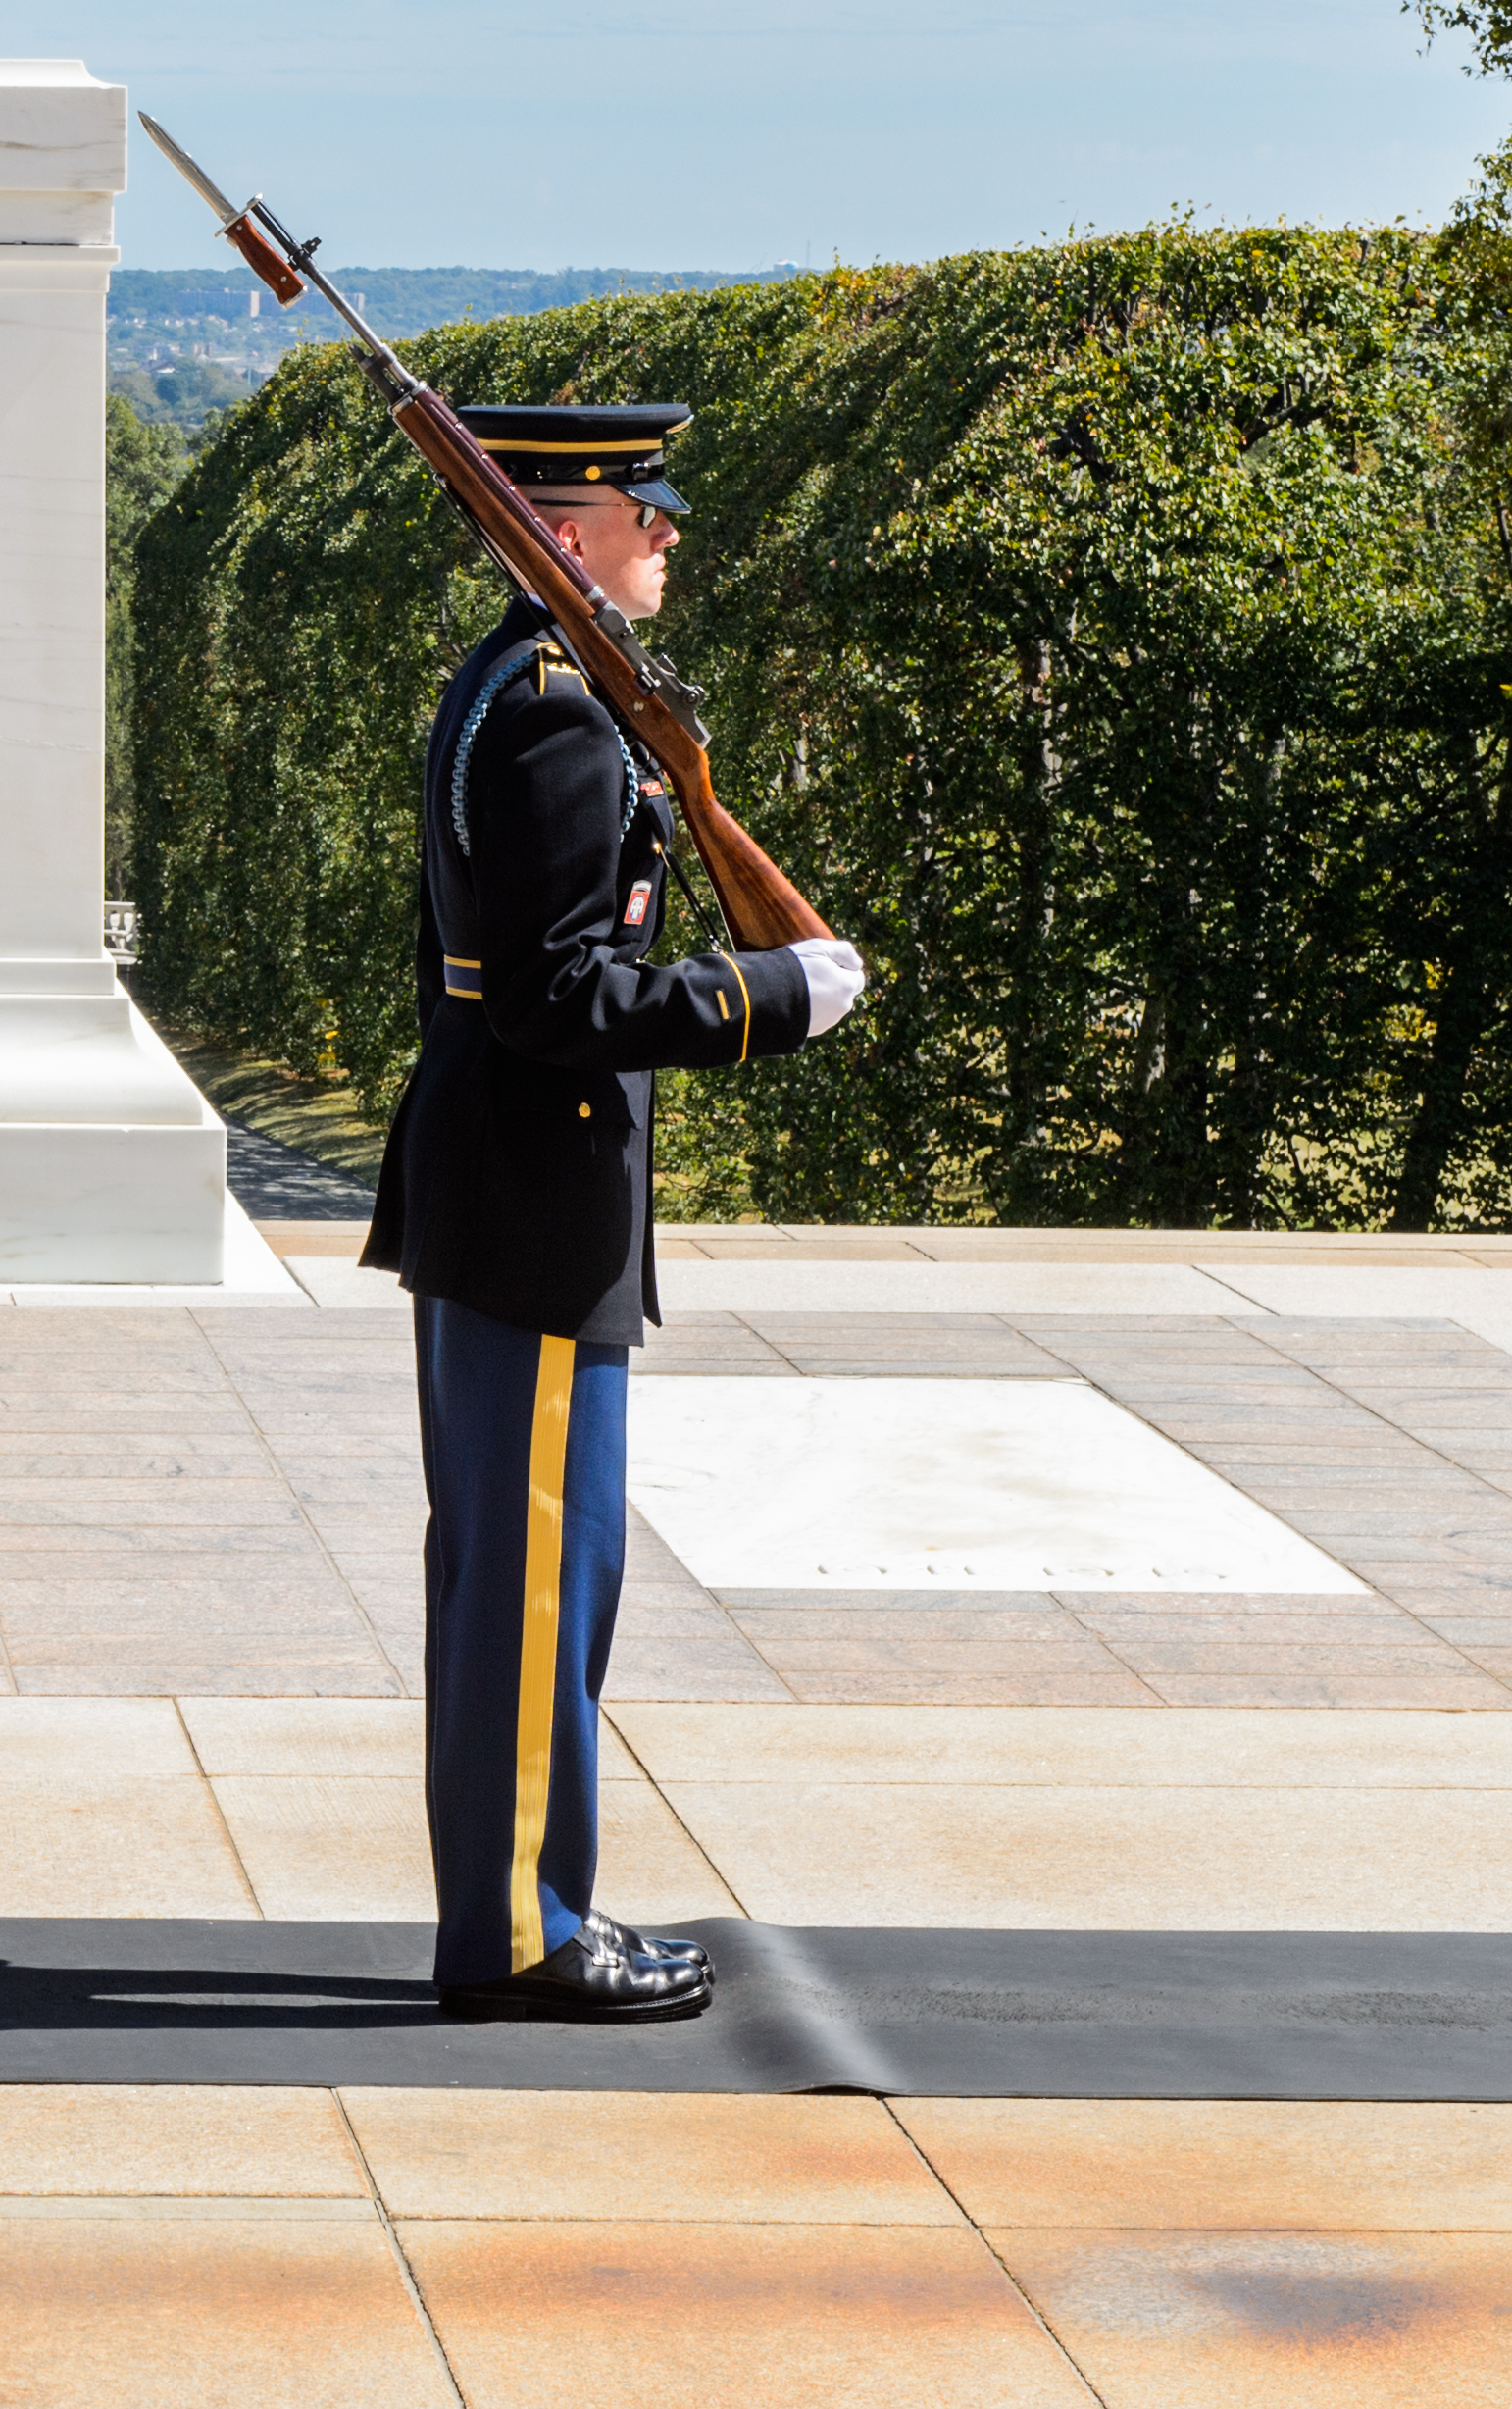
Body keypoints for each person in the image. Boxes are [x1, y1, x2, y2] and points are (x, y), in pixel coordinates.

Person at [363, 402, 865, 2023]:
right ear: (564, 531)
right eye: (644, 506)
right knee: (529, 1595)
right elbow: (554, 999)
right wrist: (768, 995)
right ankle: (521, 1934)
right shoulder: (561, 723)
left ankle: (525, 1906)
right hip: (534, 1205)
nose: (670, 531)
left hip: (507, 1192)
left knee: (527, 1586)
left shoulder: (518, 691)